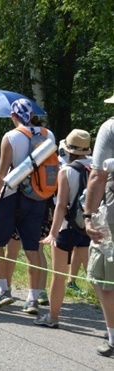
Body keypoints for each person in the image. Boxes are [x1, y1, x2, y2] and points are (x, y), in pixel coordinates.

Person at [0, 98, 57, 314]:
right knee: (32, 247)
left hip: (11, 197)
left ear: (13, 116)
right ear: (32, 116)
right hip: (39, 198)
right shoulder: (49, 135)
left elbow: (0, 175)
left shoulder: (10, 137)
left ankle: (3, 290)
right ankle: (33, 299)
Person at [35, 129, 92, 328]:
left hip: (67, 228)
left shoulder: (66, 171)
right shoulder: (97, 167)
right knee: (95, 278)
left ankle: (53, 317)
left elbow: (60, 205)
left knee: (58, 276)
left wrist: (53, 233)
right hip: (89, 228)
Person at [83, 96, 114, 358]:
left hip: (113, 218)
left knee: (106, 279)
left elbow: (97, 175)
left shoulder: (110, 128)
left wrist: (88, 215)